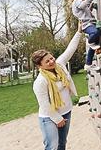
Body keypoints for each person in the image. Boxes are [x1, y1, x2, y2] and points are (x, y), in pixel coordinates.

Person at [32, 22, 84, 150]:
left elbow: (70, 50)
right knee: (52, 146)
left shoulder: (60, 65)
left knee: (62, 144)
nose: (52, 61)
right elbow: (44, 104)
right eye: (47, 61)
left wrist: (79, 32)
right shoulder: (40, 81)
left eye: (51, 58)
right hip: (49, 117)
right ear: (40, 66)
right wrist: (57, 118)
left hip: (66, 111)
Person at [68, 0, 101, 69]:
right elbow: (82, 6)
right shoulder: (76, 2)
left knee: (94, 45)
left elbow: (86, 11)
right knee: (95, 33)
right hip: (86, 25)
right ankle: (90, 41)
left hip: (90, 23)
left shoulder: (80, 2)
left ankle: (88, 63)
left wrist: (91, 7)